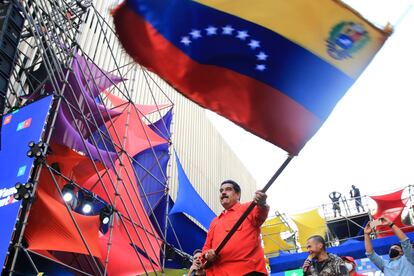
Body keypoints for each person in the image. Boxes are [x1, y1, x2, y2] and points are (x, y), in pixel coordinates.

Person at [202, 180, 269, 275]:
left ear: (238, 194)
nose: (223, 192)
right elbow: (206, 248)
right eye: (221, 191)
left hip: (249, 271)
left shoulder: (249, 207)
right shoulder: (214, 222)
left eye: (228, 189)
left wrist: (261, 203)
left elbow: (260, 214)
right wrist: (207, 255)